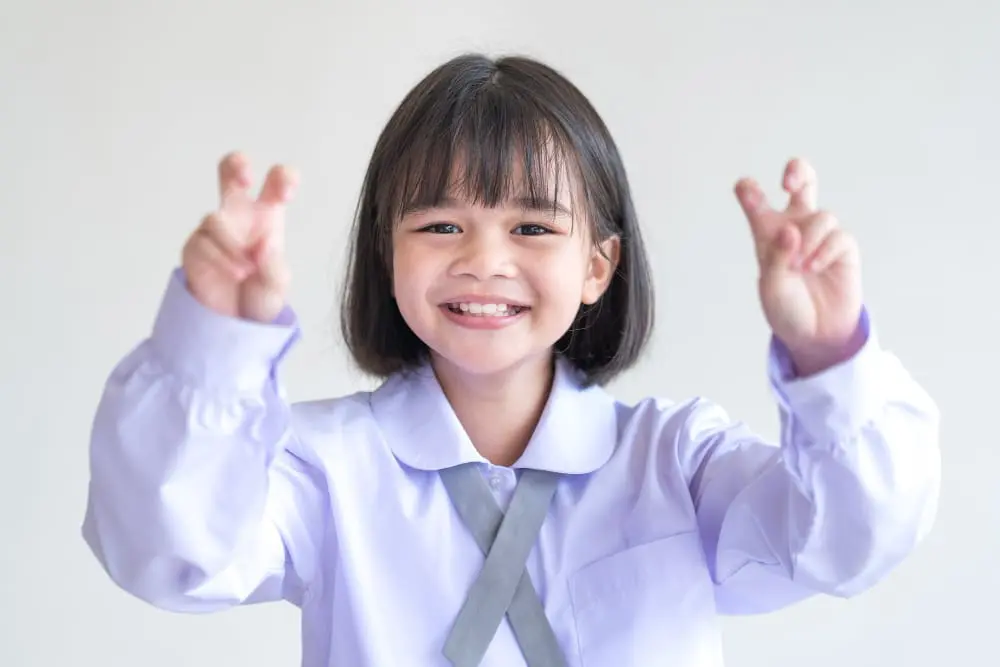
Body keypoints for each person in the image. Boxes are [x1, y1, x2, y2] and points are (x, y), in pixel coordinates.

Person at [82, 53, 941, 667]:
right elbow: (167, 549)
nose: (484, 260)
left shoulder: (676, 460)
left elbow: (848, 541)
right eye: (439, 225)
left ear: (598, 266)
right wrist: (213, 340)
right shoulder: (322, 468)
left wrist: (828, 351)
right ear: (388, 254)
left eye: (532, 227)